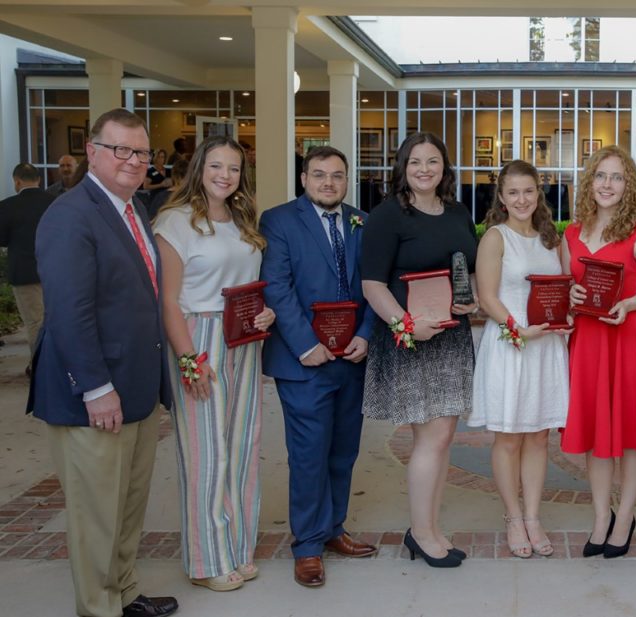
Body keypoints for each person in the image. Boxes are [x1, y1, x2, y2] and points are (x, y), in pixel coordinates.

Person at [27, 108, 178, 617]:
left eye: (140, 152)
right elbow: (70, 313)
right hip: (93, 395)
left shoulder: (131, 210)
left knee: (127, 506)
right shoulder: (71, 215)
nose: (133, 161)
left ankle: (125, 593)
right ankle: (98, 608)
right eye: (121, 150)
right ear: (92, 151)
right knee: (96, 515)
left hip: (134, 387)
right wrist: (95, 387)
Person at [153, 135, 275, 592]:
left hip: (244, 339)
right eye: (216, 166)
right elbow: (168, 301)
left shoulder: (241, 220)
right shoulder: (175, 221)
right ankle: (206, 561)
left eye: (234, 168)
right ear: (199, 168)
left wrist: (267, 311)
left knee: (243, 446)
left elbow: (249, 282)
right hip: (198, 338)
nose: (225, 175)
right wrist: (189, 360)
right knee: (207, 452)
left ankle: (237, 549)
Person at [260, 145, 379, 587]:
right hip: (303, 361)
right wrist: (305, 344)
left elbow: (373, 283)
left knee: (343, 451)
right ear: (304, 179)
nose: (328, 183)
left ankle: (333, 530)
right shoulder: (279, 220)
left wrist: (366, 334)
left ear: (347, 180)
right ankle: (307, 545)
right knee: (309, 454)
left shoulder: (363, 221)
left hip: (352, 357)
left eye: (337, 175)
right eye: (319, 175)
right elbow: (277, 286)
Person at [361, 132, 479, 568]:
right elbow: (372, 284)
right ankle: (421, 533)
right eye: (415, 162)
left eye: (433, 161)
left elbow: (467, 271)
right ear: (402, 168)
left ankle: (429, 527)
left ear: (444, 168)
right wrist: (405, 325)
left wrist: (474, 301)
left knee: (444, 437)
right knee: (428, 437)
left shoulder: (459, 212)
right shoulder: (387, 216)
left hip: (451, 336)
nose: (424, 169)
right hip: (410, 340)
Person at [561, 145, 636, 559]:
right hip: (587, 340)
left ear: (629, 186)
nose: (607, 184)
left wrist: (630, 304)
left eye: (617, 177)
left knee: (631, 435)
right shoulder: (571, 233)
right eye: (601, 176)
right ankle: (601, 516)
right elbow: (564, 287)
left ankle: (625, 517)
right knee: (594, 434)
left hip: (628, 337)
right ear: (590, 181)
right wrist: (570, 292)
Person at [468, 160, 569, 558]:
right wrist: (518, 329)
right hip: (512, 345)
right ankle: (512, 517)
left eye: (529, 191)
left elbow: (562, 288)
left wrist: (567, 317)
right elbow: (488, 297)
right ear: (502, 197)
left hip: (545, 347)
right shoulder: (495, 237)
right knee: (509, 436)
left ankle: (533, 517)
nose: (522, 199)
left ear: (538, 193)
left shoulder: (550, 237)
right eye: (513, 192)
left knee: (540, 435)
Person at [0, 163, 55, 372]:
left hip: (23, 273)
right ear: (39, 180)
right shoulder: (55, 202)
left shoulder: (6, 206)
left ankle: (41, 367)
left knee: (35, 323)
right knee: (54, 320)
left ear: (17, 182)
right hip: (54, 271)